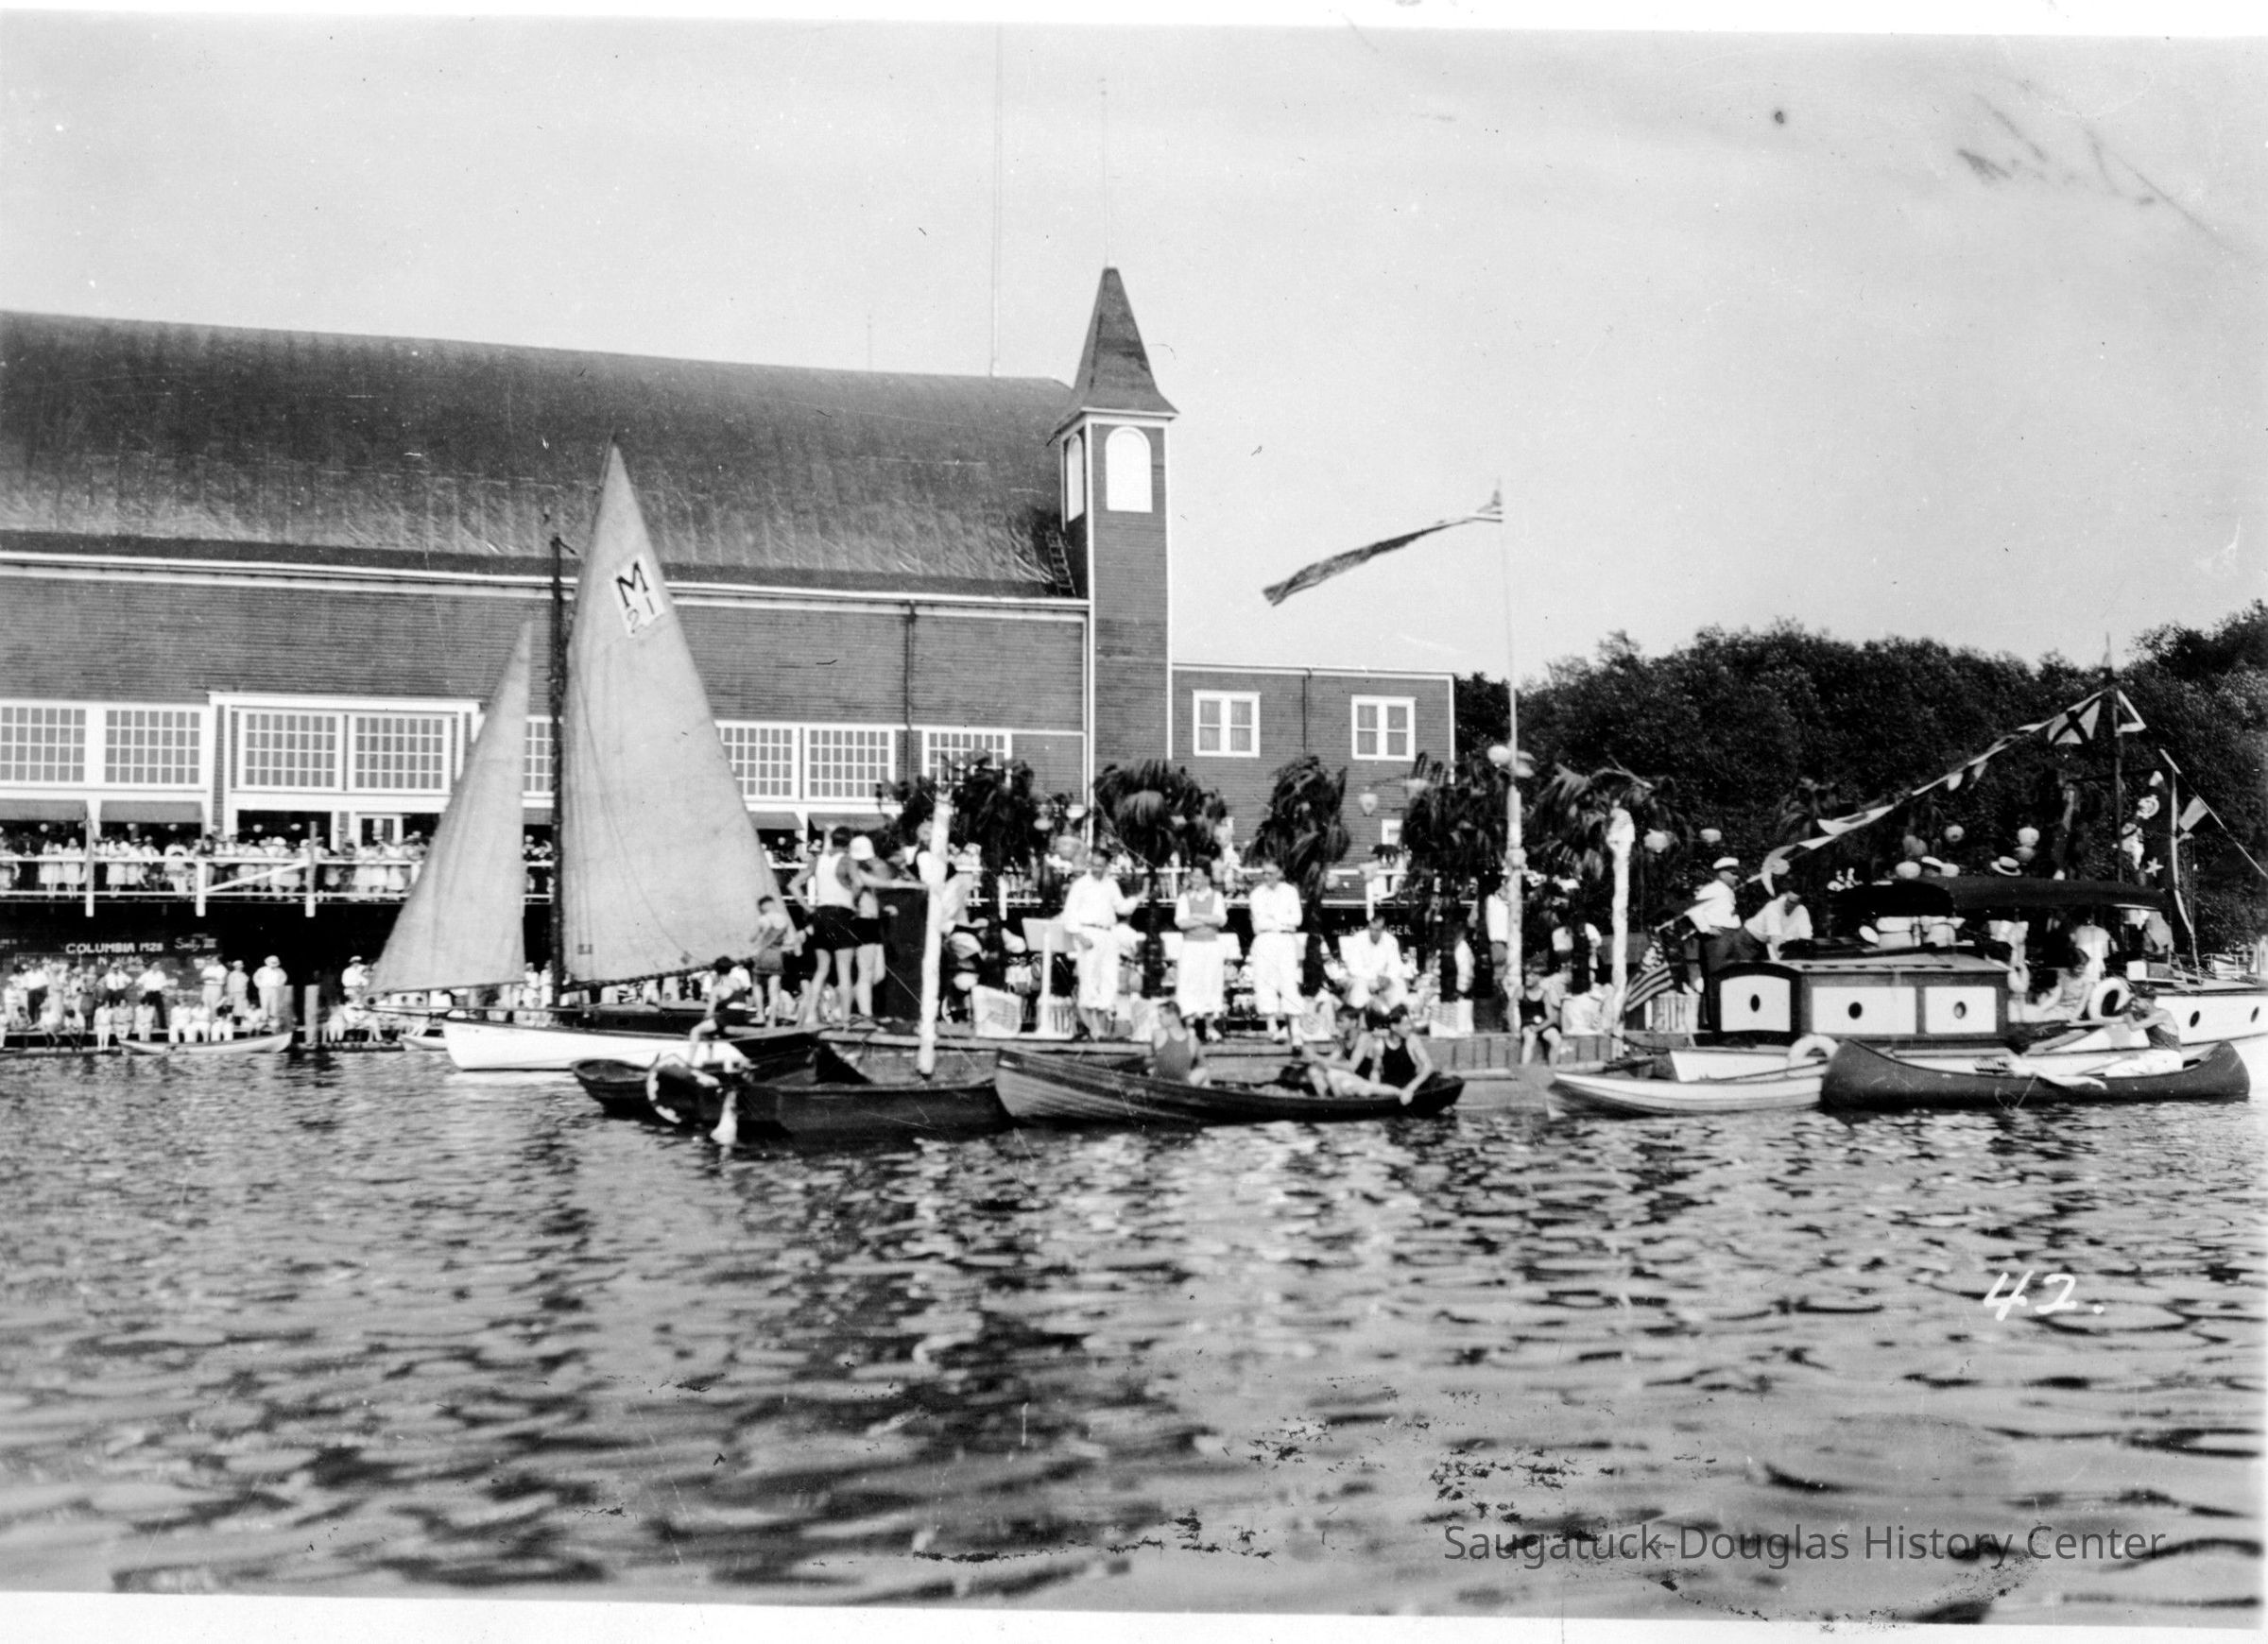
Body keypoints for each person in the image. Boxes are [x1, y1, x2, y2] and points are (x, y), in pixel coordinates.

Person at [790, 826, 861, 1029]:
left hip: (821, 914)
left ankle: (811, 1015)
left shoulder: (818, 860)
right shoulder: (848, 861)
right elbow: (858, 883)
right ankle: (845, 1019)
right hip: (841, 912)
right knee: (844, 970)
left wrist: (807, 908)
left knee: (821, 969)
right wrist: (853, 900)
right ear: (849, 842)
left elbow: (793, 885)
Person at [1061, 853, 1136, 1038]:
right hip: (1088, 933)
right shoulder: (1080, 885)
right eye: (1093, 865)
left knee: (1109, 979)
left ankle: (1103, 1030)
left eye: (1100, 865)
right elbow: (1069, 913)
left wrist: (1140, 896)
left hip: (1107, 933)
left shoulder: (1111, 884)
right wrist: (1079, 936)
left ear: (1106, 866)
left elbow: (1121, 907)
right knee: (1089, 980)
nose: (1096, 869)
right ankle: (1093, 1029)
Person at [1246, 859, 1305, 1040]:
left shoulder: (1290, 892)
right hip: (1264, 940)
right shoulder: (1256, 894)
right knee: (1265, 981)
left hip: (1285, 940)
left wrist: (1273, 917)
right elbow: (1260, 921)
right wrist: (1281, 918)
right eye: (1264, 873)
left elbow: (1297, 919)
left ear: (1280, 873)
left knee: (1289, 980)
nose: (1266, 877)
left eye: (1270, 873)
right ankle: (1271, 1026)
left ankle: (1294, 1028)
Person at [1172, 861, 1229, 1037]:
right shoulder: (1184, 897)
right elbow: (1181, 922)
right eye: (1192, 876)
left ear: (1206, 878)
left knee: (1210, 982)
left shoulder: (1216, 897)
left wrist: (1196, 916)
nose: (1194, 880)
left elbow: (1220, 920)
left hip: (1211, 946)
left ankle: (1210, 1026)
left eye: (1197, 876)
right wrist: (1207, 919)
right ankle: (1190, 1025)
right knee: (1189, 983)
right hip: (1190, 946)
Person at [1339, 911, 1407, 1014]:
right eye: (1370, 928)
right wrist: (1374, 977)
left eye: (1377, 930)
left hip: (1383, 980)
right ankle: (1360, 1015)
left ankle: (1394, 1016)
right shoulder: (1358, 938)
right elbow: (1353, 968)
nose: (1373, 932)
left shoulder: (1391, 941)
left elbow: (1395, 965)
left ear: (1383, 930)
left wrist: (1388, 977)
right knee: (1359, 987)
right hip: (1361, 978)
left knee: (1399, 985)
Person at [1148, 998, 1211, 1086]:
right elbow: (1202, 1065)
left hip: (1158, 1084)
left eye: (1161, 1016)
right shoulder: (1194, 1041)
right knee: (1204, 1071)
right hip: (1182, 1087)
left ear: (1173, 1016)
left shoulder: (1157, 1034)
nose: (1159, 1020)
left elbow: (1153, 1059)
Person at [750, 896, 794, 1020]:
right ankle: (772, 1020)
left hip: (762, 954)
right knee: (774, 989)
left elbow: (752, 938)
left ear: (762, 906)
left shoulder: (763, 919)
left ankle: (760, 1015)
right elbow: (791, 940)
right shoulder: (785, 919)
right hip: (777, 956)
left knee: (757, 984)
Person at [1744, 886, 1813, 961]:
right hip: (1747, 938)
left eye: (1792, 902)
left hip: (1763, 942)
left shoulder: (1802, 910)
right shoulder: (1774, 907)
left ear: (1799, 903)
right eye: (1788, 900)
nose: (1788, 904)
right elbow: (1775, 938)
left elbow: (1806, 934)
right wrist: (1785, 960)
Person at [1517, 968, 1563, 1065]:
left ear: (1539, 978)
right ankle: (1524, 1067)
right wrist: (1514, 1029)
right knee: (1530, 1039)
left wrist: (1538, 1028)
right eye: (1527, 975)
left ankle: (1552, 1069)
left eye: (1532, 975)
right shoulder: (1521, 990)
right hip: (1528, 1023)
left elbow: (1551, 1018)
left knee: (1556, 1040)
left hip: (1542, 1024)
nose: (1528, 977)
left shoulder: (1544, 993)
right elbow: (1510, 1010)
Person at [253, 954, 289, 1030]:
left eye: (275, 963)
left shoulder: (280, 970)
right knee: (265, 1004)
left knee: (274, 1005)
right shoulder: (262, 970)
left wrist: (279, 985)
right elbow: (256, 978)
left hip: (275, 989)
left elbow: (284, 978)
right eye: (272, 963)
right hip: (264, 989)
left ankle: (273, 1020)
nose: (273, 965)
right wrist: (260, 985)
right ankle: (264, 1020)